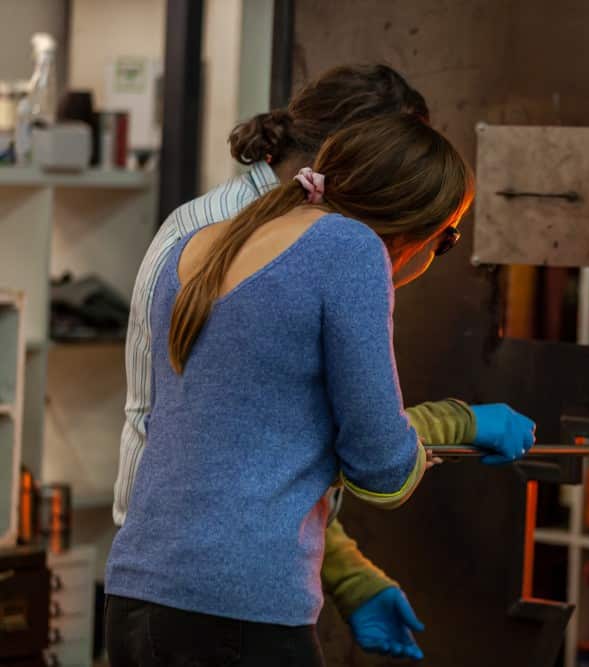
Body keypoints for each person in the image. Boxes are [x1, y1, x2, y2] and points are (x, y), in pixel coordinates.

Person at [110, 65, 535, 662]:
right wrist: (459, 423)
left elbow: (247, 447)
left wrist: (349, 575)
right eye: (446, 240)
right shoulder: (349, 249)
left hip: (138, 594)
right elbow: (380, 465)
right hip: (241, 605)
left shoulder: (204, 240)